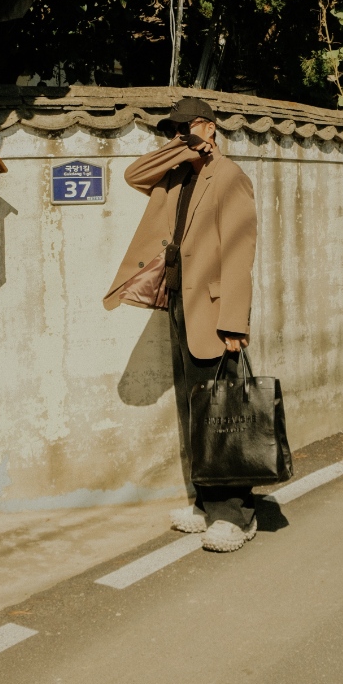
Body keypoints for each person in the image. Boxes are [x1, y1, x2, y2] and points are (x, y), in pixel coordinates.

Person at [103, 96, 258, 552]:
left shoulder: (229, 177)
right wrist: (182, 147)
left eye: (185, 128)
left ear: (209, 127)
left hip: (213, 312)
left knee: (222, 414)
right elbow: (134, 174)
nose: (177, 135)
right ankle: (207, 504)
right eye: (172, 130)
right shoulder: (175, 176)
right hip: (179, 307)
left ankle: (236, 514)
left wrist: (234, 321)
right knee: (195, 411)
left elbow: (240, 253)